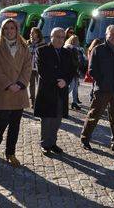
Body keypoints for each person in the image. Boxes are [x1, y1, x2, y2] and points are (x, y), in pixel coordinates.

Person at [81, 25, 114, 155]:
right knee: (94, 115)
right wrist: (102, 82)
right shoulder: (98, 49)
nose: (113, 36)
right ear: (106, 34)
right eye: (111, 34)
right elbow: (91, 70)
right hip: (102, 90)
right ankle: (85, 139)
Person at [0, 19, 31, 166]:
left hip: (19, 90)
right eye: (6, 28)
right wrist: (8, 84)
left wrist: (20, 84)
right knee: (2, 122)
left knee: (15, 124)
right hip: (3, 91)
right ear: (2, 30)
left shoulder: (24, 46)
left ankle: (10, 153)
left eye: (12, 28)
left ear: (17, 29)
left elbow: (27, 67)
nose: (9, 31)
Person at [34, 27, 75, 156]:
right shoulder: (42, 50)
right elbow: (42, 71)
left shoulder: (67, 52)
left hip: (61, 91)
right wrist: (57, 81)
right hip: (47, 91)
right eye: (57, 36)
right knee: (47, 120)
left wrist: (66, 81)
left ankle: (53, 143)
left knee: (57, 119)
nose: (60, 39)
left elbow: (72, 70)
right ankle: (45, 144)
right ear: (51, 37)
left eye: (62, 37)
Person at [64, 35, 84, 110]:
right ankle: (62, 98)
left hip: (75, 70)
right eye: (77, 40)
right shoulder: (70, 48)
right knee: (72, 86)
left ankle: (74, 102)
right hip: (72, 70)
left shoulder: (74, 48)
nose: (78, 42)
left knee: (75, 87)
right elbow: (73, 60)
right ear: (73, 41)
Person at [27, 27, 45, 107]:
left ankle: (39, 100)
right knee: (31, 85)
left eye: (33, 32)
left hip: (39, 68)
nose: (31, 34)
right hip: (29, 68)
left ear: (37, 34)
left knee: (40, 85)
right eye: (30, 32)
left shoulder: (43, 44)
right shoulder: (27, 43)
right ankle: (32, 101)